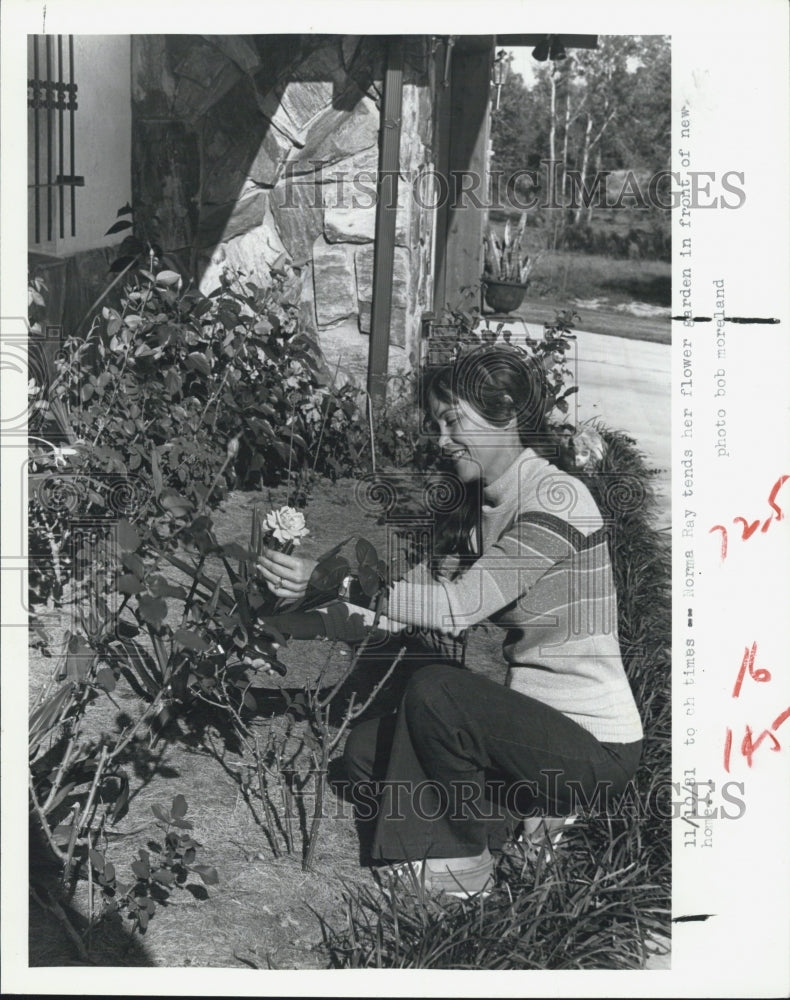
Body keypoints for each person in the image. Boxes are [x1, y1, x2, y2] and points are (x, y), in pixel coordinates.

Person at [258, 344, 643, 897]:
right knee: (366, 756)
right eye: (437, 425)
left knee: (435, 690)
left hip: (595, 746)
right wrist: (301, 607)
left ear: (506, 412)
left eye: (452, 421)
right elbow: (410, 601)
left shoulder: (557, 501)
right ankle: (530, 816)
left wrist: (328, 578)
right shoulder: (486, 504)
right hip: (537, 730)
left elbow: (456, 610)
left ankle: (461, 869)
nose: (442, 440)